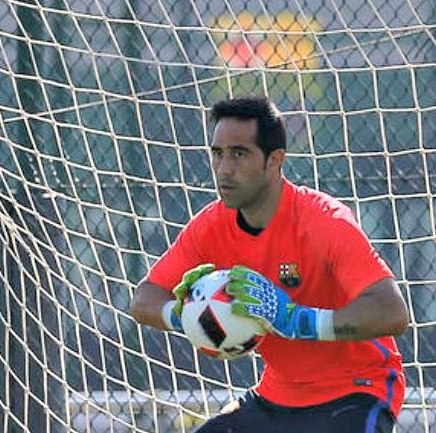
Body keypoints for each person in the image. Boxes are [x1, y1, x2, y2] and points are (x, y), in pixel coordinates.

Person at [131, 96, 408, 433]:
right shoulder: (210, 226)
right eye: (217, 153)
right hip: (275, 396)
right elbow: (144, 298)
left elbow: (391, 312)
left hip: (357, 389)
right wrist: (185, 314)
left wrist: (297, 320)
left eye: (239, 154)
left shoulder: (324, 220)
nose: (224, 169)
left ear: (275, 159)